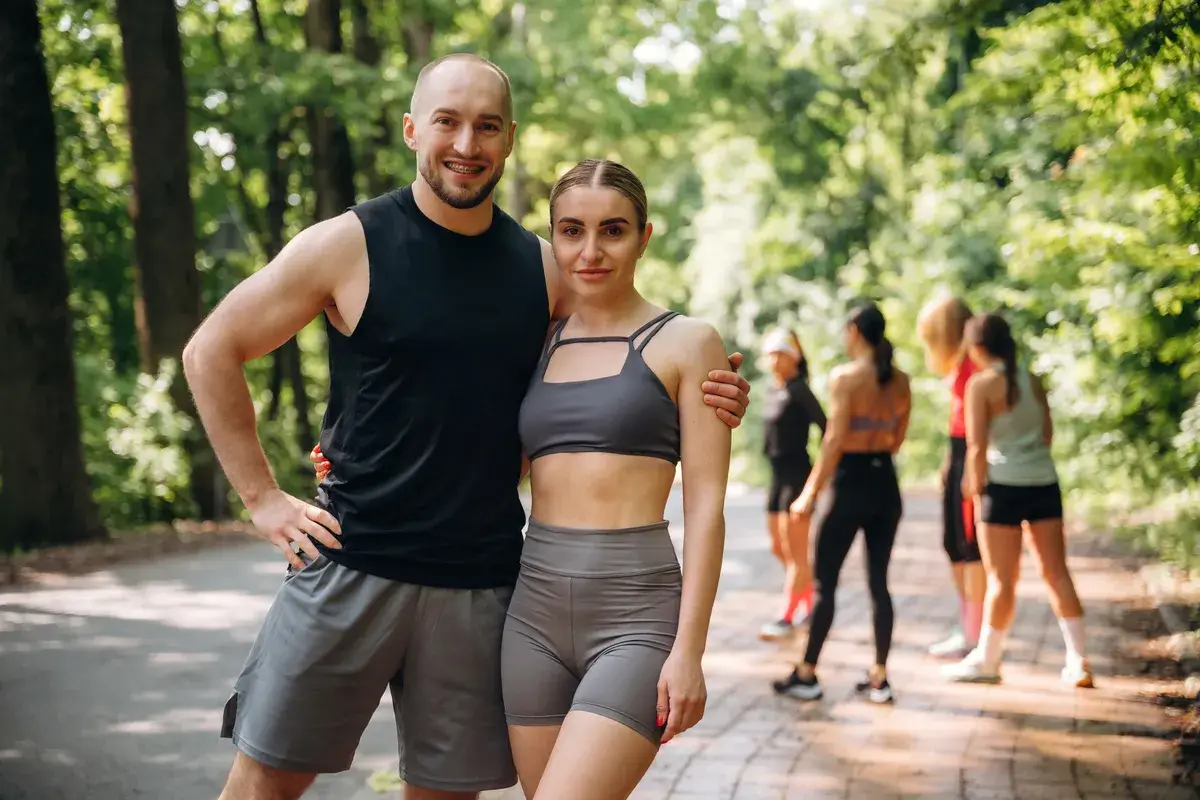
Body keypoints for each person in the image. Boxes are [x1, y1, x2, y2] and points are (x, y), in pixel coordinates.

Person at [182, 55, 749, 800]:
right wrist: (262, 498)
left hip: (482, 586)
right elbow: (210, 350)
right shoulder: (349, 243)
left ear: (509, 139)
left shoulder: (540, 269)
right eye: (447, 121)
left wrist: (711, 389)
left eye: (486, 126)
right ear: (414, 128)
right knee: (263, 783)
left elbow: (617, 348)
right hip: (352, 562)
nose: (466, 143)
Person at [319, 159, 730, 799]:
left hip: (636, 616)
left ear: (645, 237)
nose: (590, 250)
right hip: (530, 616)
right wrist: (348, 453)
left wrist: (690, 651)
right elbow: (458, 427)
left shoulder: (687, 343)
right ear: (553, 236)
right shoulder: (536, 339)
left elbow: (706, 508)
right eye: (572, 231)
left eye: (613, 231)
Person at [942, 313, 1093, 688]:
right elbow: (1047, 433)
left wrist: (972, 490)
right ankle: (1079, 662)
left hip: (1002, 487)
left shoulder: (981, 385)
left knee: (1001, 580)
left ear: (977, 348)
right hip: (1043, 482)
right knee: (1056, 572)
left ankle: (988, 660)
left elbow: (976, 447)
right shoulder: (1033, 380)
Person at [771, 302, 911, 705]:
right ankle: (880, 676)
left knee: (825, 583)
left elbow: (833, 441)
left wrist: (810, 493)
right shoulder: (901, 379)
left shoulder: (845, 378)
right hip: (886, 481)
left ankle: (808, 672)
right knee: (878, 583)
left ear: (854, 330)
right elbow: (899, 435)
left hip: (850, 484)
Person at [917, 296, 986, 660]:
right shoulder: (959, 366)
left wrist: (970, 469)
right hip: (958, 453)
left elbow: (977, 424)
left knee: (971, 549)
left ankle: (974, 635)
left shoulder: (974, 362)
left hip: (972, 456)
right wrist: (949, 461)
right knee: (953, 545)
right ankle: (967, 627)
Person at [757, 328, 825, 642]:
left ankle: (787, 617)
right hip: (776, 475)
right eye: (770, 353)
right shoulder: (775, 389)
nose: (773, 360)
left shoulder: (799, 390)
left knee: (796, 551)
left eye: (779, 353)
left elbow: (828, 428)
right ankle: (809, 602)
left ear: (792, 357)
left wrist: (821, 478)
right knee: (778, 546)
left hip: (797, 474)